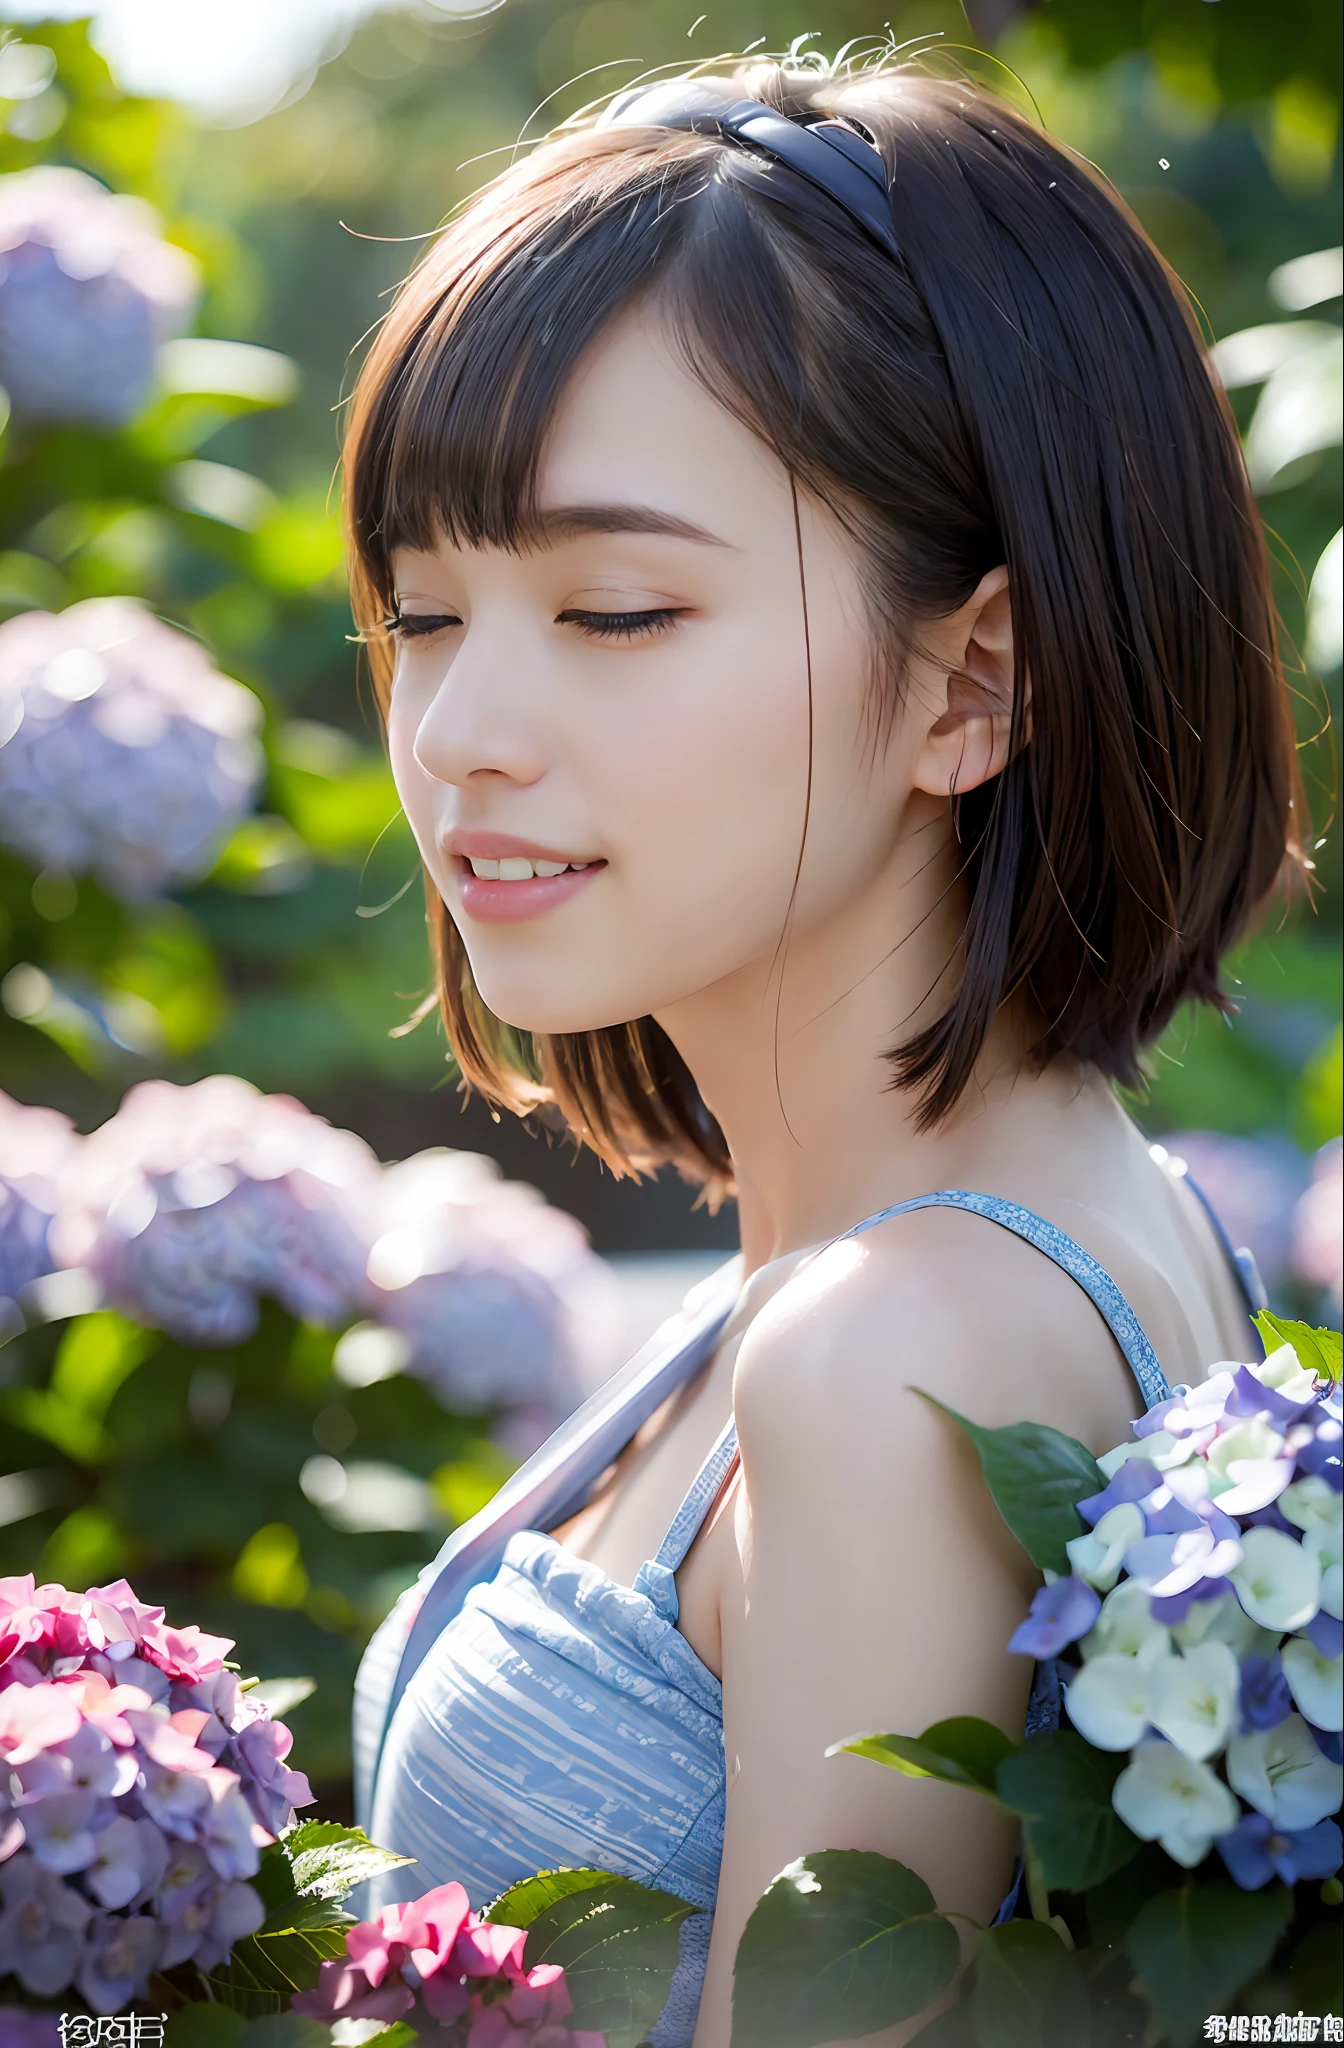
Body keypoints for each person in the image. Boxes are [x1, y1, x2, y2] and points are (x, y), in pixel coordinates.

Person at [341, 54, 1302, 2047]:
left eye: (611, 611)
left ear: (975, 680)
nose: (457, 731)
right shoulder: (1109, 1211)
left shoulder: (892, 1347)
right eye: (425, 610)